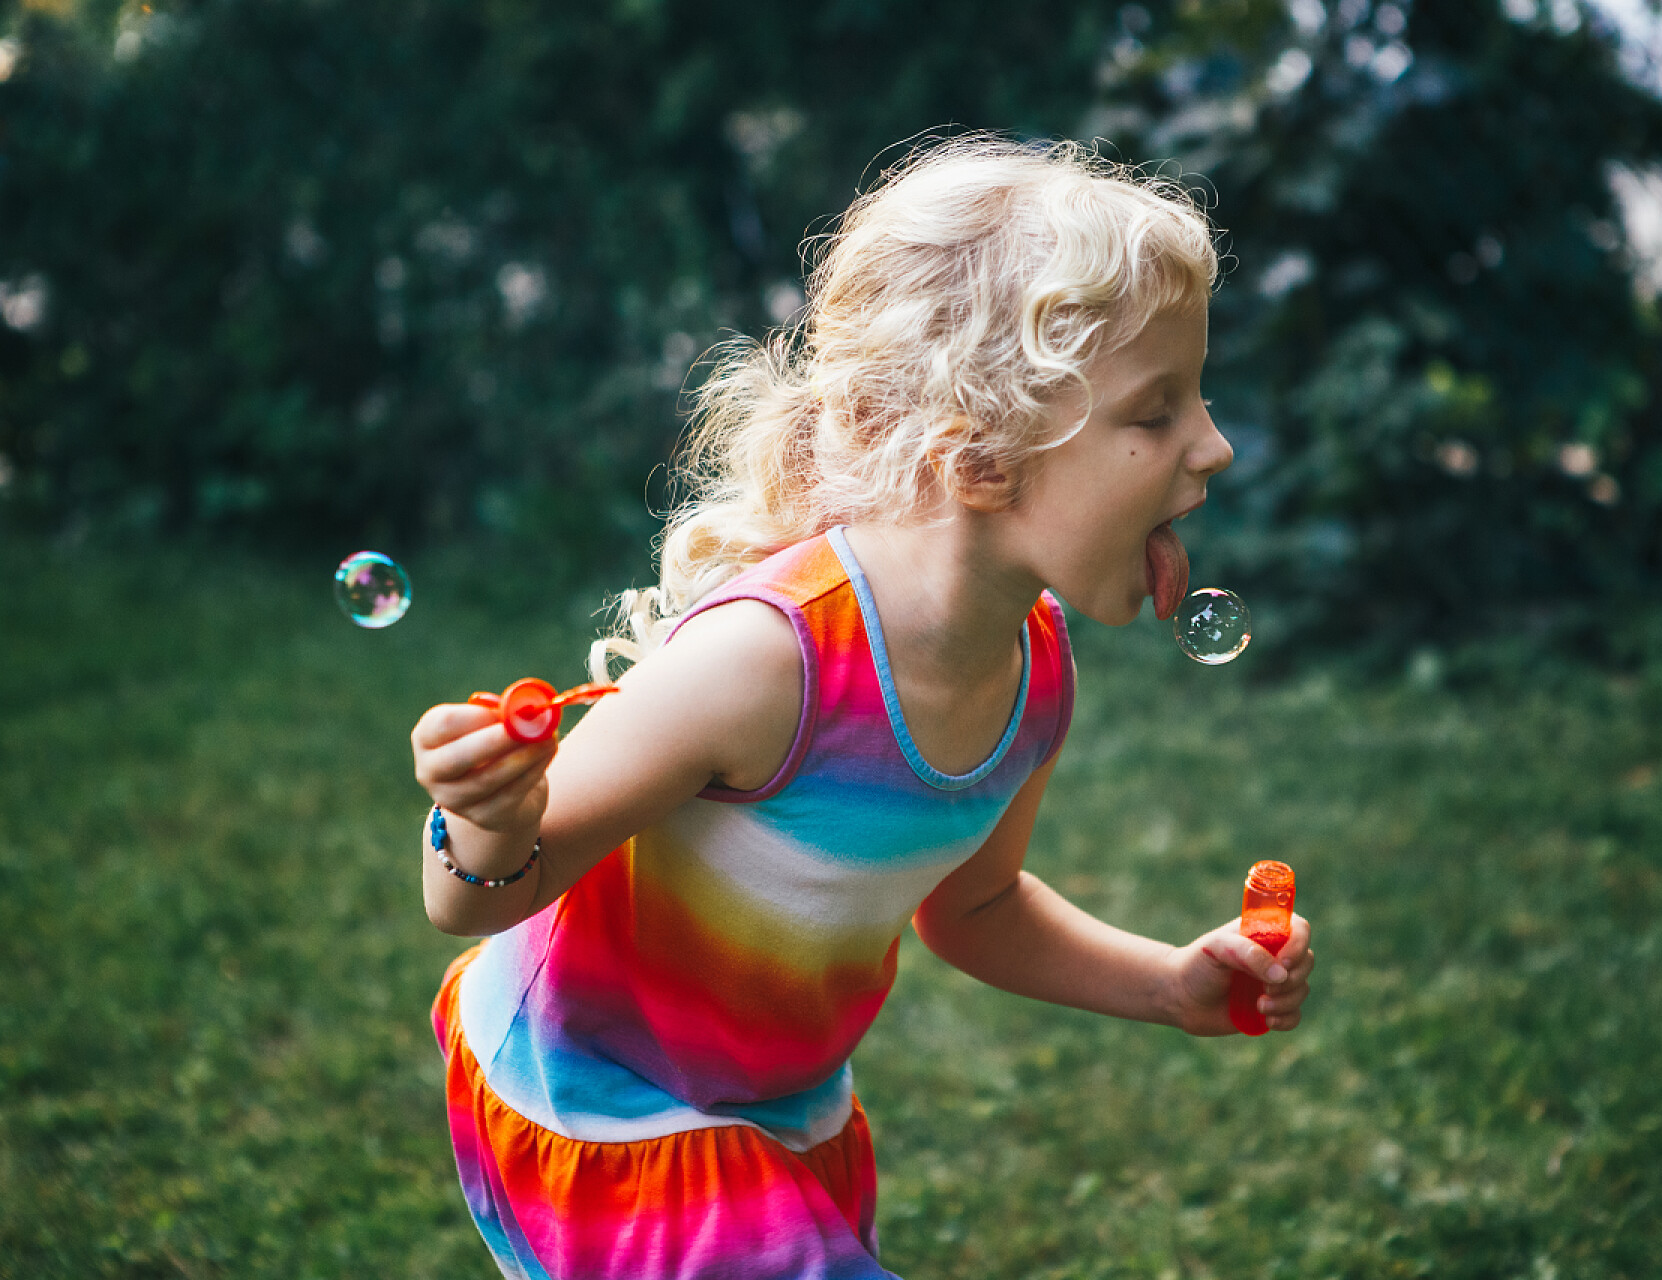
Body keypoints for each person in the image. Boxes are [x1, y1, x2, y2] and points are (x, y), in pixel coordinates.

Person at [409, 135, 1315, 1280]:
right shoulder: (763, 658)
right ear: (982, 458)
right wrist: (485, 814)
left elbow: (974, 907)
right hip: (603, 1100)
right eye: (1157, 409)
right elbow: (480, 894)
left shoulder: (1036, 674)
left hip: (780, 1108)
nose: (1215, 446)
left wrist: (1167, 982)